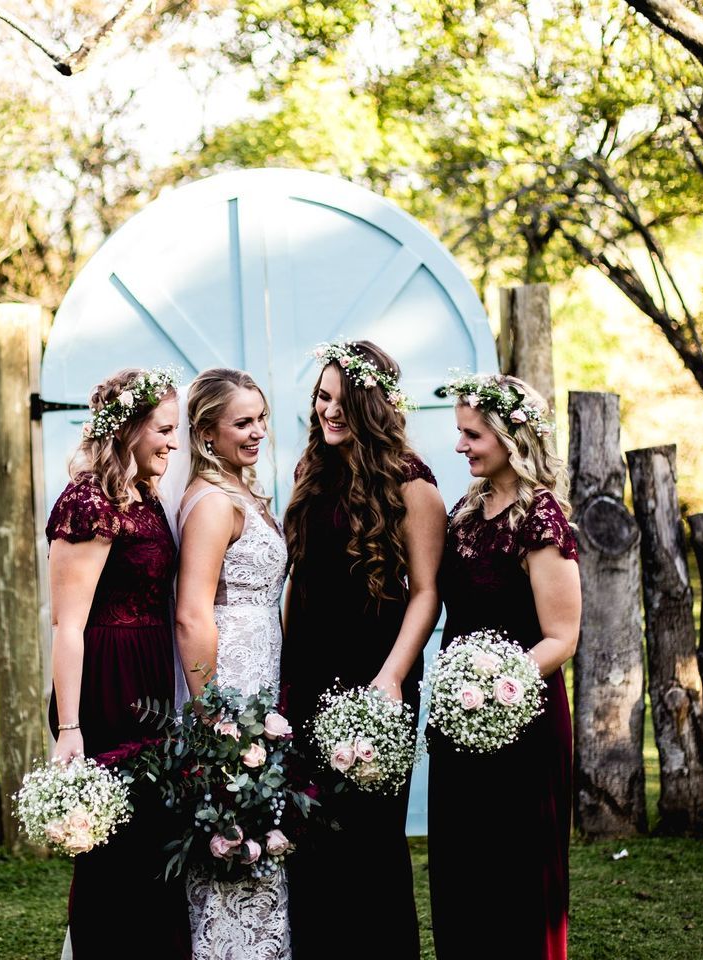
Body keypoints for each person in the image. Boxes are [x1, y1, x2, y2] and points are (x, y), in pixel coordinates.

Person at [280, 340, 445, 959]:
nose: (329, 411)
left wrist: (392, 678)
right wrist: (284, 669)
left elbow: (426, 594)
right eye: (322, 397)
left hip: (378, 674)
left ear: (373, 405)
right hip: (309, 673)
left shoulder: (412, 483)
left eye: (344, 401)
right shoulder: (310, 473)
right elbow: (299, 579)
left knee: (371, 840)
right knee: (310, 834)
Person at [428, 373, 581, 959]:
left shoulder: (540, 518)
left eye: (472, 435)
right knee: (462, 861)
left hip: (522, 717)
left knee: (515, 867)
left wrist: (494, 684)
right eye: (460, 434)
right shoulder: (468, 508)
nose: (461, 446)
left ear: (511, 436)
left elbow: (562, 636)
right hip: (458, 716)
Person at [45, 366, 190, 959]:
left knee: (151, 844)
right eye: (163, 429)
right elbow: (68, 624)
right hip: (105, 684)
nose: (174, 442)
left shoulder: (145, 496)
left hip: (151, 680)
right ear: (128, 428)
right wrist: (71, 729)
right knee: (111, 849)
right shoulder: (89, 503)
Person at [171, 367, 291, 959]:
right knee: (236, 835)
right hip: (233, 694)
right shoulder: (215, 503)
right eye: (242, 422)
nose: (258, 432)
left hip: (260, 682)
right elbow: (193, 613)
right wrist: (215, 717)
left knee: (258, 834)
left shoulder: (239, 491)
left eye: (261, 418)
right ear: (205, 434)